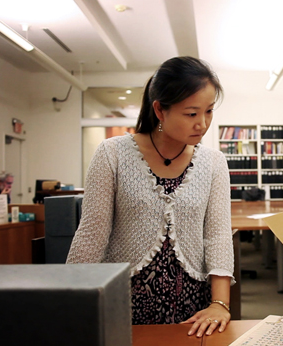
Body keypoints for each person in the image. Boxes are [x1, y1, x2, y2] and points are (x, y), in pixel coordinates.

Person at [66, 56, 234, 337]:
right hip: (122, 298)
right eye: (191, 114)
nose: (202, 124)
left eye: (209, 111)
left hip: (192, 306)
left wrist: (220, 304)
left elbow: (217, 235)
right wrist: (69, 299)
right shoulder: (112, 153)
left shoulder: (214, 162)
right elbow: (92, 233)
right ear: (160, 109)